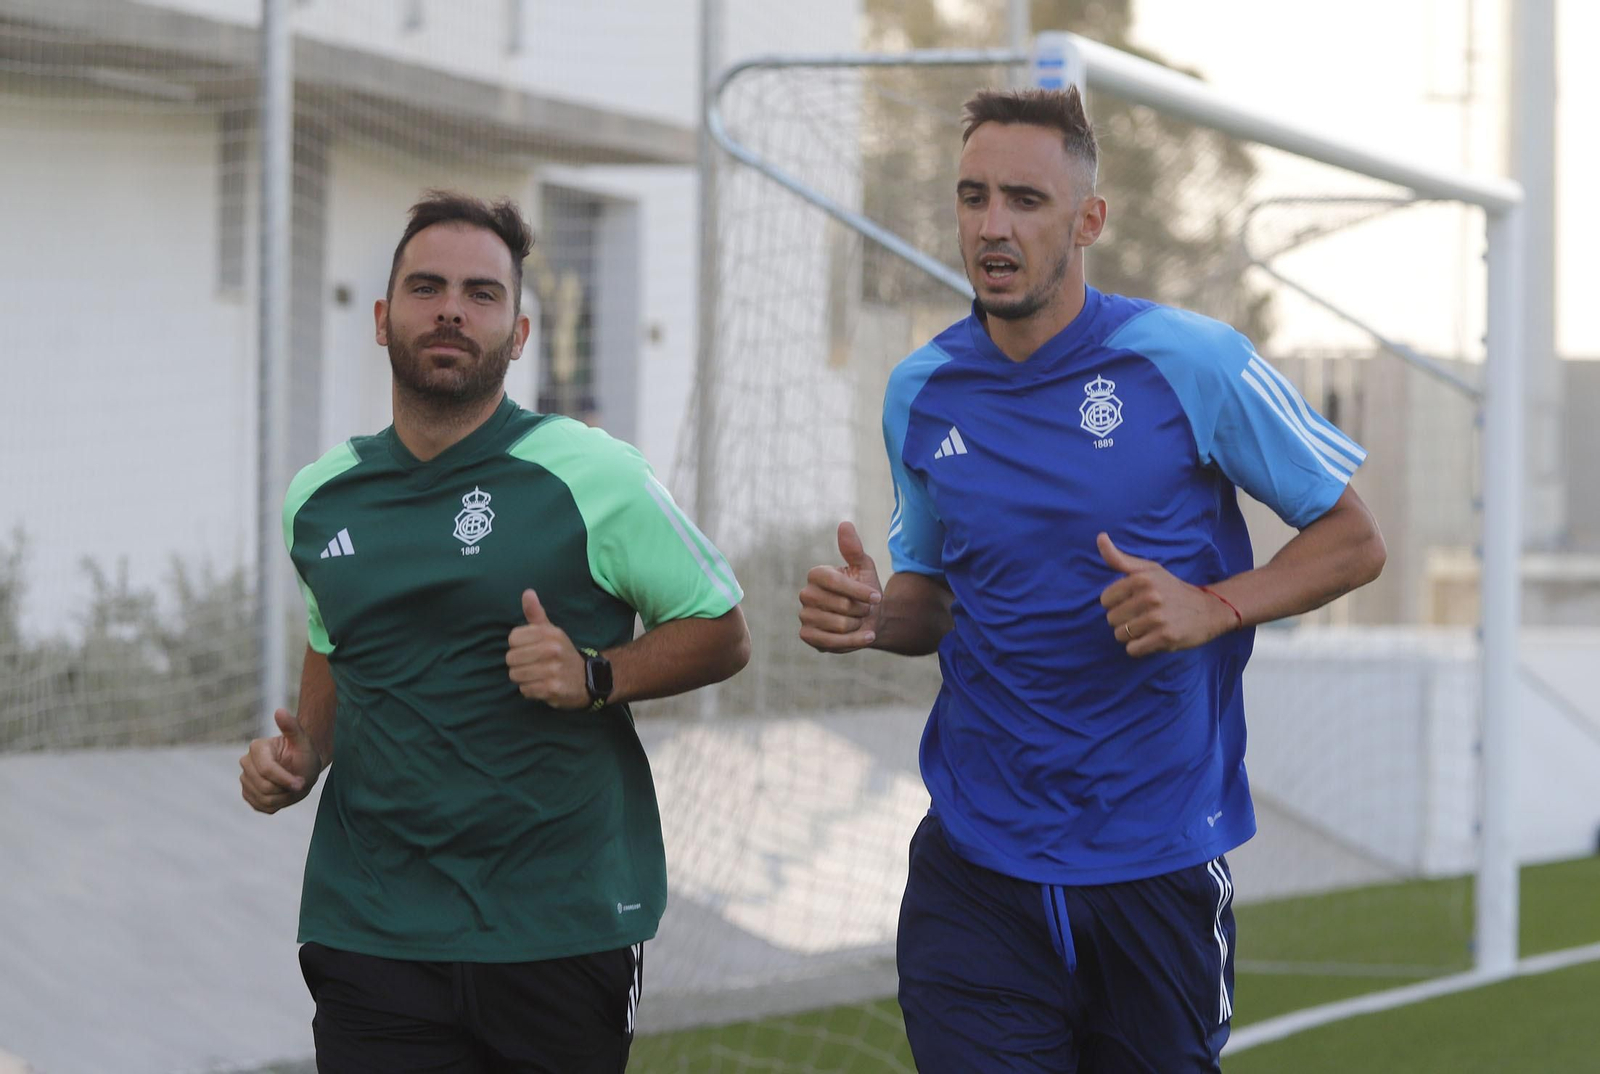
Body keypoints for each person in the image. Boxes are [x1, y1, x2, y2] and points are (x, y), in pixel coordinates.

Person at [798, 87, 1385, 1072]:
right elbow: (933, 597)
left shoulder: (1190, 361)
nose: (991, 225)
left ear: (1088, 219)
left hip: (1153, 865)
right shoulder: (921, 391)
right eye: (972, 196)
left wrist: (1213, 605)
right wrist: (872, 615)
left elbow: (1353, 538)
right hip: (974, 868)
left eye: (1025, 200)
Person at [239, 190, 750, 1073]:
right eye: (426, 287)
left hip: (556, 929)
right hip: (373, 927)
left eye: (481, 294)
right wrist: (300, 758)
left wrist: (596, 674)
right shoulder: (319, 499)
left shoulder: (591, 472)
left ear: (517, 334)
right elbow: (335, 642)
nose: (449, 309)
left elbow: (722, 628)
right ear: (382, 318)